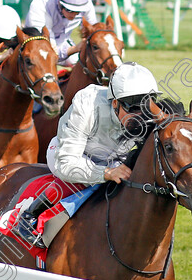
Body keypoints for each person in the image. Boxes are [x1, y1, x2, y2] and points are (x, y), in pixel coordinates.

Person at [14, 62, 160, 247]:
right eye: (132, 107)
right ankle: (31, 214)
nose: (140, 115)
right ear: (115, 103)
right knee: (92, 180)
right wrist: (106, 173)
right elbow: (66, 163)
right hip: (67, 155)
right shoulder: (88, 102)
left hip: (113, 160)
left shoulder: (149, 115)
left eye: (146, 106)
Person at [24, 0, 98, 67]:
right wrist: (74, 49)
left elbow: (94, 30)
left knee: (83, 63)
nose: (74, 15)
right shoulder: (40, 7)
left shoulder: (84, 2)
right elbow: (49, 52)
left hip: (63, 40)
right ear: (59, 3)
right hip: (38, 45)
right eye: (70, 10)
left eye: (78, 11)